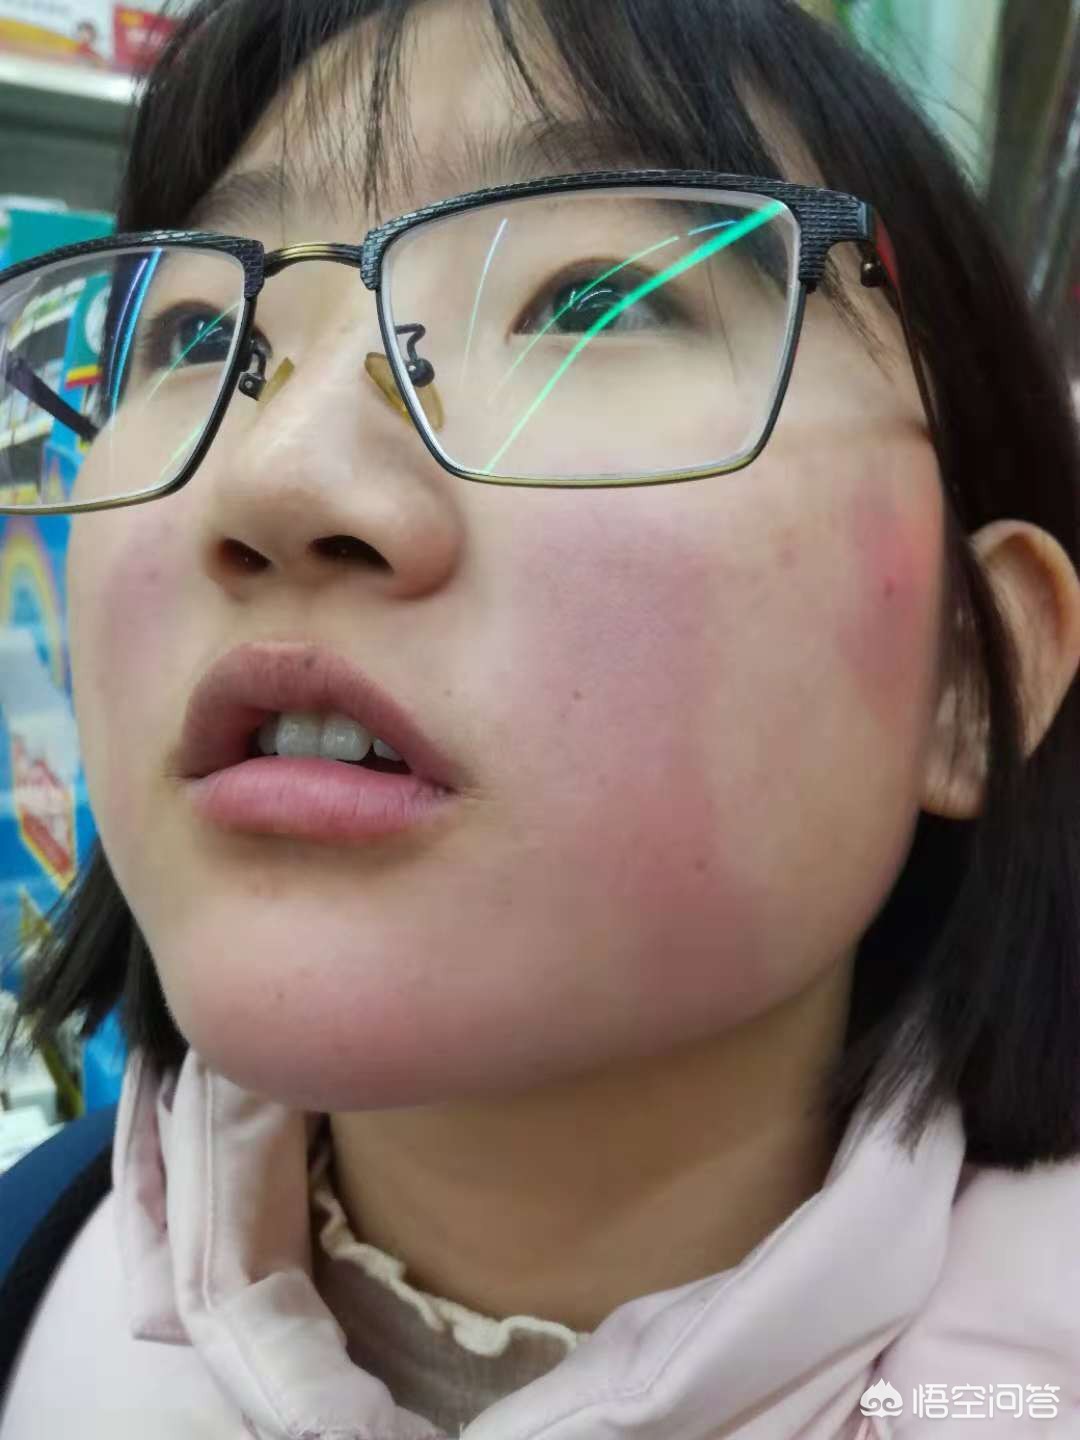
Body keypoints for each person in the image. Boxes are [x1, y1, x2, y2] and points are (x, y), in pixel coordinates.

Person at [1, 0, 1079, 1435]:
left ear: (971, 676)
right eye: (202, 335)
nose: (279, 479)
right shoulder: (31, 1281)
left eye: (592, 304)